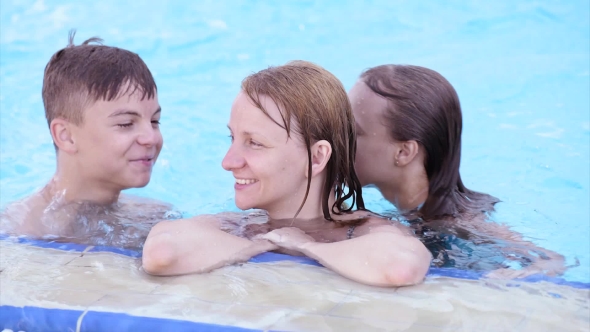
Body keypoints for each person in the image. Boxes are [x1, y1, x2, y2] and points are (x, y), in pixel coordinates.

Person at [142, 61, 432, 287]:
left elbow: (399, 268)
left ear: (316, 157)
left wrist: (306, 245)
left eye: (254, 143)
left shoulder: (365, 230)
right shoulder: (243, 227)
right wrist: (262, 243)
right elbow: (161, 254)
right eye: (233, 139)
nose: (228, 162)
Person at [349, 64, 566, 278]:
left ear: (404, 152)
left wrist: (504, 283)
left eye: (353, 131)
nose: (335, 137)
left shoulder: (457, 224)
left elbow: (550, 261)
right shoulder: (405, 213)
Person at [0, 31, 178, 249]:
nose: (151, 138)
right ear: (66, 136)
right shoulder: (18, 234)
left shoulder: (153, 215)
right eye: (125, 124)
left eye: (154, 121)